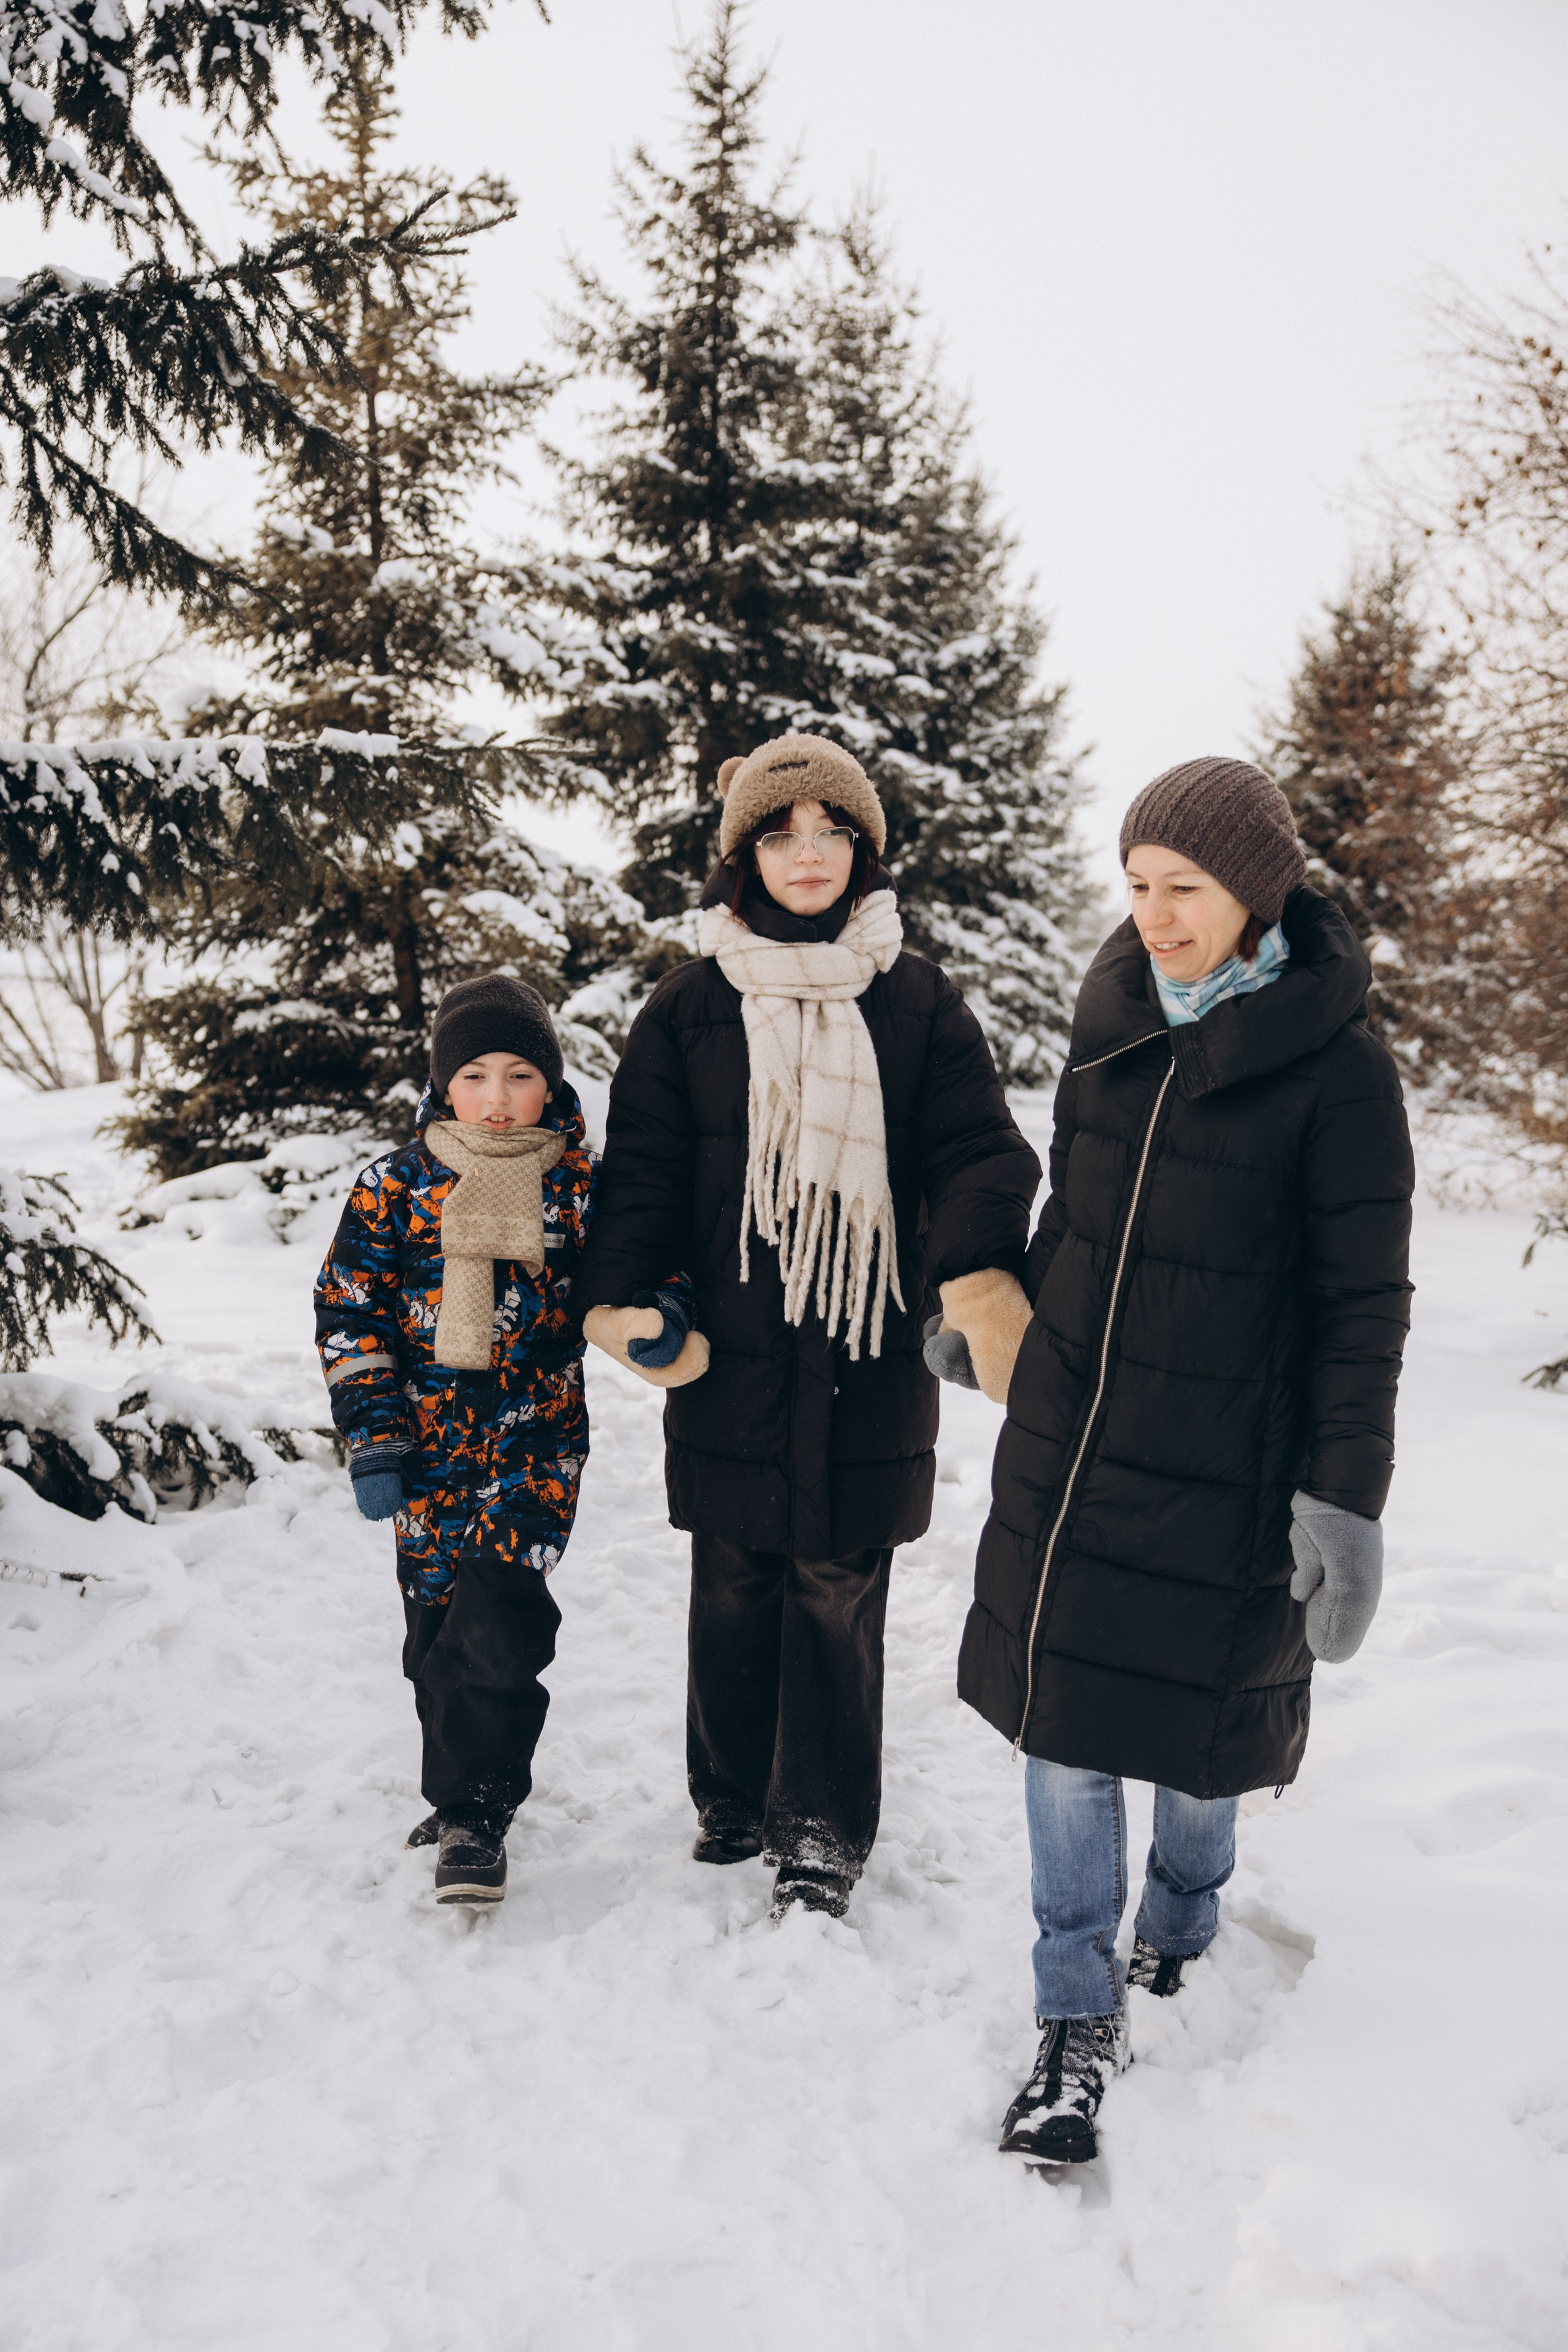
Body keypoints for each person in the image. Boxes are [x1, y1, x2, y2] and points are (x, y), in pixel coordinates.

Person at [935, 756, 1414, 2165]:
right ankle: (1072, 2008)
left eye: (1182, 889)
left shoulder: (1337, 1076)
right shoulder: (1113, 1024)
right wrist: (1005, 1322)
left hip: (1228, 1462)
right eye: (1135, 886)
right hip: (1076, 1441)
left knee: (1198, 1738)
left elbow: (1358, 1311)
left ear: (1253, 894)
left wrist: (1342, 1497)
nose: (1151, 916)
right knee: (1068, 1730)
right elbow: (1075, 1218)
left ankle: (1186, 1919)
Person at [577, 732, 1041, 1921]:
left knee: (836, 1586)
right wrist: (624, 1291)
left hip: (867, 1352)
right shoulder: (687, 1008)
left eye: (831, 831)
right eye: (780, 833)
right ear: (743, 855)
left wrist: (976, 1278)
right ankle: (730, 1798)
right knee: (733, 1576)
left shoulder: (916, 1000)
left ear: (862, 852)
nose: (807, 851)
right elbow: (641, 1174)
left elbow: (976, 1152)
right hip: (728, 1353)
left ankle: (821, 1833)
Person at [313, 974, 598, 1906]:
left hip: (535, 1451)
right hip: (425, 1456)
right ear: (443, 1086)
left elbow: (644, 1268)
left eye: (522, 1076)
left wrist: (664, 1311)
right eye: (476, 1076)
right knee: (433, 1637)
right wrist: (376, 1439)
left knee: (499, 1625)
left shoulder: (580, 1187)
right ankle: (457, 1788)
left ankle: (478, 1815)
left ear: (550, 1086)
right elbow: (350, 1313)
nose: (501, 1099)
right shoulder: (392, 1188)